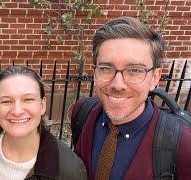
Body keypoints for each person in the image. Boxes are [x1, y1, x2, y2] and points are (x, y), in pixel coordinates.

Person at [72, 16, 191, 179]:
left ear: (155, 78)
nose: (117, 84)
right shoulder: (83, 113)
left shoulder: (183, 145)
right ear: (94, 73)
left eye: (134, 70)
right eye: (106, 68)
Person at [0, 66, 86, 180]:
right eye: (6, 101)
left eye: (28, 99)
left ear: (42, 105)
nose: (17, 111)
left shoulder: (69, 170)